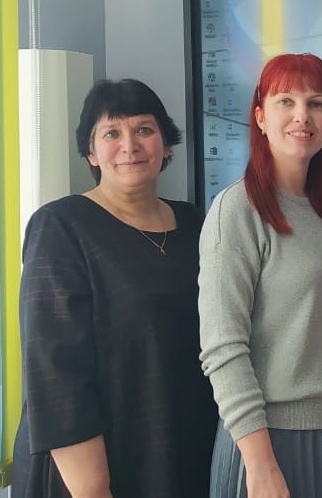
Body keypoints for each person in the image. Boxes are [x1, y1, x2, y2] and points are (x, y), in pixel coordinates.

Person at [13, 79, 218, 497]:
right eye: (111, 133)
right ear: (91, 152)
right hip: (94, 464)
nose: (130, 145)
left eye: (144, 129)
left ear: (166, 144)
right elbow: (54, 371)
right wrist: (93, 487)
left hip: (181, 447)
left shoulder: (196, 223)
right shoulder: (60, 225)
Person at [198, 53, 322, 498]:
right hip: (270, 441)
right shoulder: (236, 210)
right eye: (286, 101)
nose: (303, 116)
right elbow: (222, 347)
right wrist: (259, 464)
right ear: (260, 117)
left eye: (317, 103)